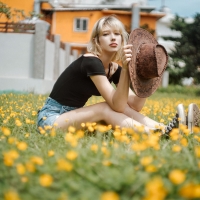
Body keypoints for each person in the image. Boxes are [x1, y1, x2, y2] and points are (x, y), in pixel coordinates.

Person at [37, 15, 200, 135]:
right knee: (104, 107)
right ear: (97, 41)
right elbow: (116, 105)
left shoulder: (114, 68)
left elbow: (134, 105)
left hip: (71, 118)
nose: (113, 37)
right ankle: (154, 135)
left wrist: (146, 77)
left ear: (123, 40)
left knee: (118, 108)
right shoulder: (91, 62)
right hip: (51, 119)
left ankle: (165, 128)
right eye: (106, 34)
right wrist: (127, 68)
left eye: (117, 34)